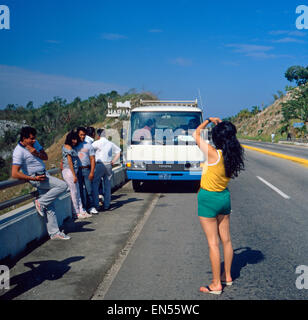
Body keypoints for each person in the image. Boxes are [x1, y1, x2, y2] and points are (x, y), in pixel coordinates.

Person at [193, 118, 245, 295]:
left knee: (213, 243)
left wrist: (207, 121)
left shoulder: (213, 154)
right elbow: (226, 138)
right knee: (226, 240)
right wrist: (221, 128)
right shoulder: (232, 155)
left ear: (217, 138)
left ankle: (216, 284)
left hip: (208, 199)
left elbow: (196, 134)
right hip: (224, 197)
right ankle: (227, 276)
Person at [11, 127, 70, 240]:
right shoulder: (18, 151)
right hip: (36, 178)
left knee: (50, 205)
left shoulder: (35, 143)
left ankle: (54, 233)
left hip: (44, 174)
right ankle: (40, 202)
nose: (34, 140)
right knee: (63, 185)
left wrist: (36, 153)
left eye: (35, 138)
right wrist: (33, 178)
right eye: (31, 139)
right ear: (24, 138)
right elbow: (15, 173)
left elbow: (46, 157)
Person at [61, 131, 92, 219]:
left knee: (77, 191)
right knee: (74, 192)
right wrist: (74, 175)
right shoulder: (67, 147)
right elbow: (70, 162)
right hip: (69, 171)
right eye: (73, 139)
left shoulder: (72, 147)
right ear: (69, 139)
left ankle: (81, 210)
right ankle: (76, 212)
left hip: (73, 171)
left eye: (76, 139)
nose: (75, 141)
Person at [92, 128, 121, 211]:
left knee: (95, 184)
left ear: (98, 135)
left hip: (99, 164)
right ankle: (107, 205)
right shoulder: (110, 143)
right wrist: (113, 161)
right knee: (107, 185)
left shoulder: (96, 143)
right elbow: (119, 151)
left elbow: (89, 152)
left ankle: (96, 205)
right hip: (108, 164)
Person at [75, 127, 98, 214]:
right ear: (78, 135)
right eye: (81, 134)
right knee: (80, 190)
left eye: (84, 135)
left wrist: (92, 172)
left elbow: (92, 159)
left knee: (89, 189)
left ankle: (91, 206)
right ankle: (83, 207)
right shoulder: (74, 145)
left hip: (87, 170)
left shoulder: (88, 145)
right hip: (78, 171)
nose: (82, 136)